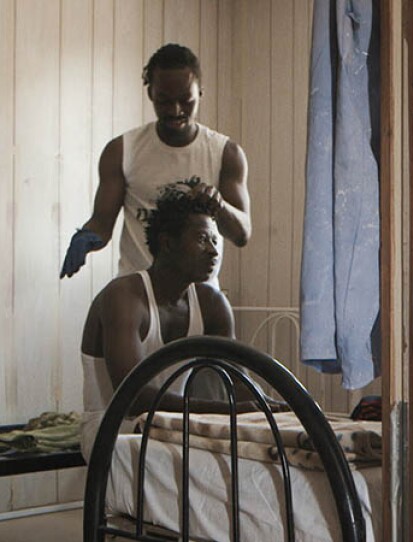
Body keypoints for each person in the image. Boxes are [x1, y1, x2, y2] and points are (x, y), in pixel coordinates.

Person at [79, 188, 253, 461]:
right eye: (201, 239)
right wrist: (226, 410)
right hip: (115, 428)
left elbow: (240, 384)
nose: (212, 251)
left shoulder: (212, 303)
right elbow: (133, 399)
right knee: (188, 463)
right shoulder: (124, 296)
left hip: (175, 427)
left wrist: (273, 408)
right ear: (167, 243)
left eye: (215, 241)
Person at [60, 43, 251, 285]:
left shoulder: (226, 153)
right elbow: (101, 223)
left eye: (186, 100)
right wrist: (85, 238)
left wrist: (219, 206)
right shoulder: (122, 151)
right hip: (137, 290)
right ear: (150, 93)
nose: (176, 110)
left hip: (199, 292)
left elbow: (242, 234)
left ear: (200, 92)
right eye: (164, 101)